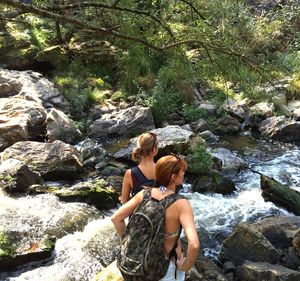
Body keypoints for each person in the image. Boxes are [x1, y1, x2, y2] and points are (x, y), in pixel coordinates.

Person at [112, 155, 200, 280]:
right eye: (182, 173)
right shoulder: (181, 204)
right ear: (174, 177)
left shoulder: (144, 193)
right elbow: (194, 244)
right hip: (164, 270)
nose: (184, 175)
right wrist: (186, 266)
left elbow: (116, 218)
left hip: (138, 266)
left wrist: (130, 244)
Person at [121, 132, 158, 204]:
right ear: (154, 150)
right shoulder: (163, 169)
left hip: (139, 214)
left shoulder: (130, 173)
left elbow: (124, 202)